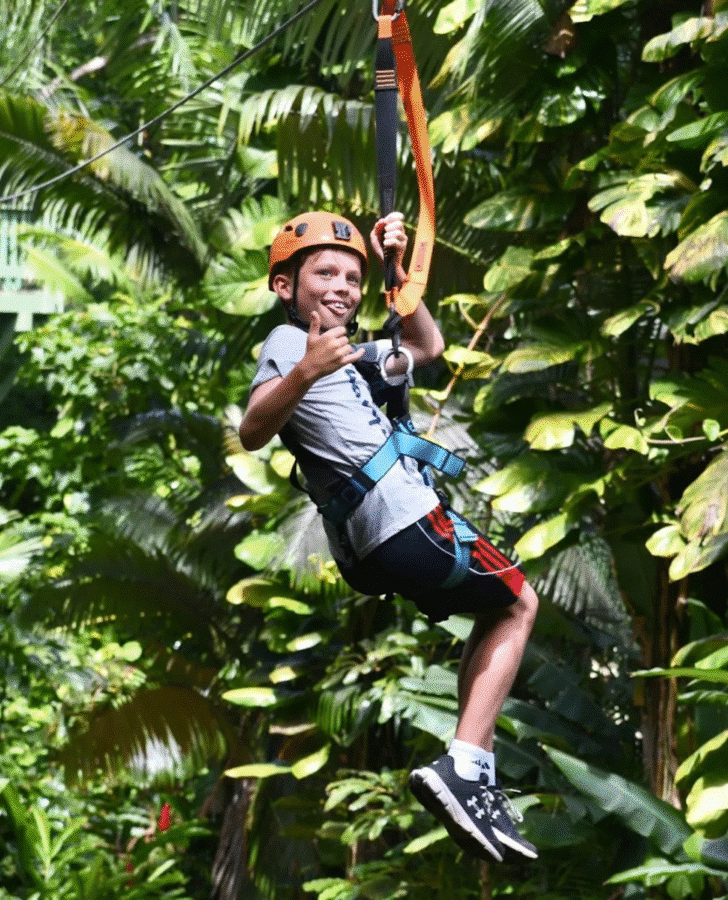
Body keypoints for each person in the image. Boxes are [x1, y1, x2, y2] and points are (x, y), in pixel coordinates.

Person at [239, 210, 539, 863]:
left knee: (498, 610)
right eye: (324, 273)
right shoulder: (292, 346)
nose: (343, 286)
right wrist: (303, 372)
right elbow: (252, 430)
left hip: (377, 538)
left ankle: (469, 765)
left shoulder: (348, 354)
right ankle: (467, 763)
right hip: (398, 517)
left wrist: (397, 273)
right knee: (520, 603)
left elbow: (427, 347)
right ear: (285, 287)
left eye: (351, 275)